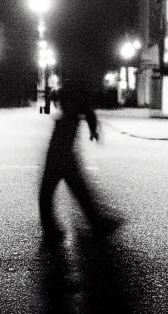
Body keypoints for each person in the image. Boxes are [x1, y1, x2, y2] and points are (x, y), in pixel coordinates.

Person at [39, 78, 109, 244]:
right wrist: (94, 132)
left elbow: (88, 113)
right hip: (64, 153)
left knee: (49, 190)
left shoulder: (67, 110)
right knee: (77, 190)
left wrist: (93, 131)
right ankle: (96, 223)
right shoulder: (75, 107)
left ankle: (51, 228)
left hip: (59, 151)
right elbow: (90, 114)